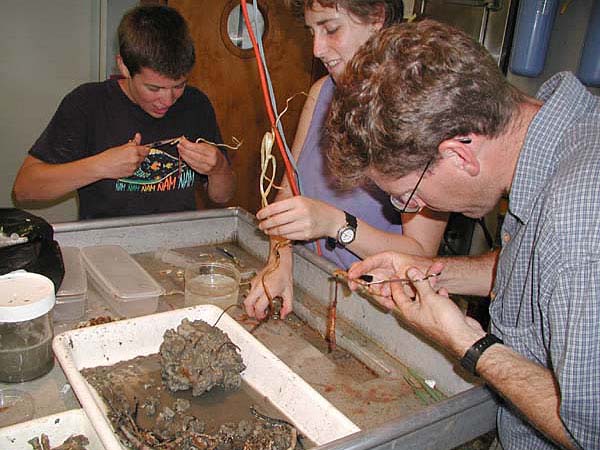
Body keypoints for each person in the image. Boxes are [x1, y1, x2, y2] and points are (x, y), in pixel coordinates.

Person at [326, 19, 600, 450]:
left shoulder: (578, 216)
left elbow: (590, 430)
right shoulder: (561, 140)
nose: (416, 209)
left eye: (407, 196)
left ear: (458, 154)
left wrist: (467, 343)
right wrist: (429, 271)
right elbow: (542, 270)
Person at [243, 0, 448, 320]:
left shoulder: (422, 110)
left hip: (377, 307)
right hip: (310, 285)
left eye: (331, 28)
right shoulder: (322, 92)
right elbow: (288, 194)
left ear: (377, 18)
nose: (316, 48)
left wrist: (335, 223)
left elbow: (421, 259)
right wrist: (279, 261)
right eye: (312, 31)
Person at [12, 5, 235, 220]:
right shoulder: (87, 104)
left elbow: (222, 195)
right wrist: (100, 166)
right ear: (124, 67)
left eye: (179, 85)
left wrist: (218, 168)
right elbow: (25, 189)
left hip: (179, 244)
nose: (167, 100)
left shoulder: (196, 104)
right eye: (153, 88)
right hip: (107, 245)